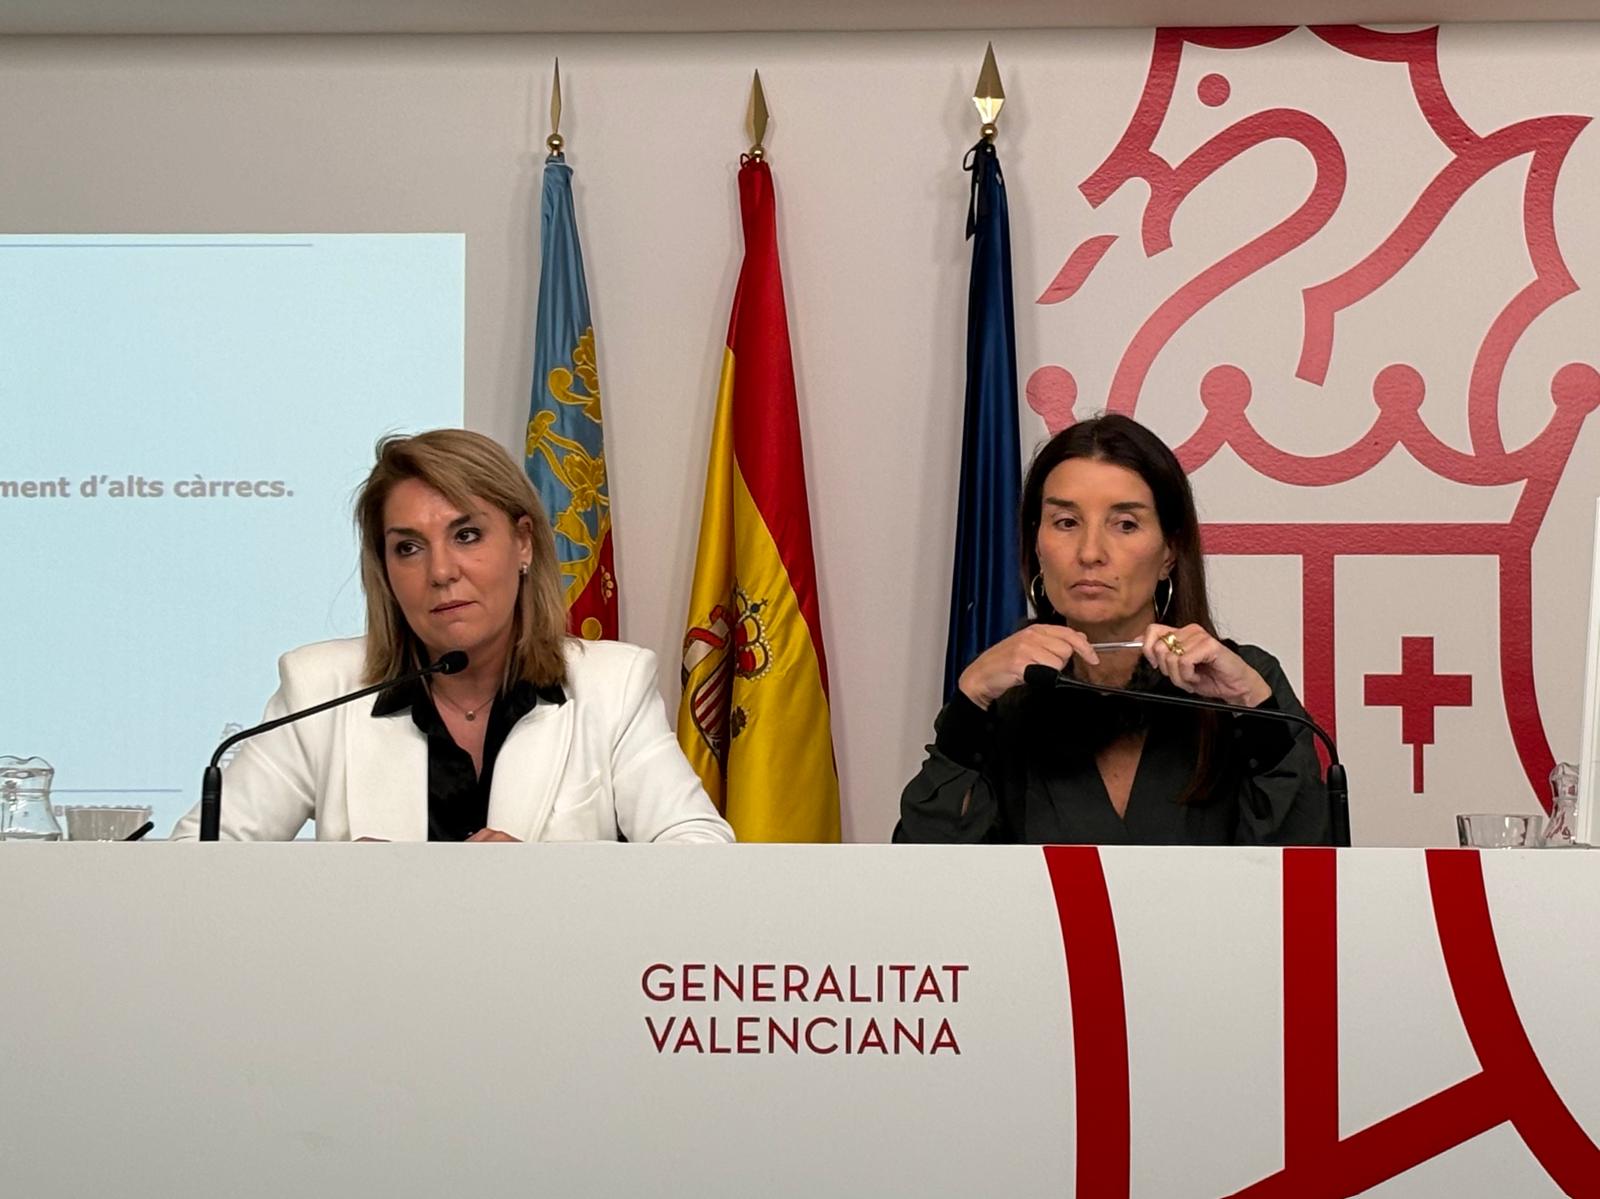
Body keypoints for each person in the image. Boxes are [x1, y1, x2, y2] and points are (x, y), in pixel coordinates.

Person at [172, 429, 733, 843]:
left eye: (466, 534)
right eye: (408, 547)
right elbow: (199, 866)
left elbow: (699, 857)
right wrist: (332, 886)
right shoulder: (319, 688)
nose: (440, 571)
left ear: (523, 544)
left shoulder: (611, 687)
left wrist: (555, 880)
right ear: (385, 569)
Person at [899, 414, 1329, 845]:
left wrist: (1252, 707)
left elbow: (1310, 876)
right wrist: (969, 701)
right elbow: (920, 881)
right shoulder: (1001, 692)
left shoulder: (1245, 681)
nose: (1090, 553)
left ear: (1169, 552)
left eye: (1125, 524)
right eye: (1066, 522)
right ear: (1036, 544)